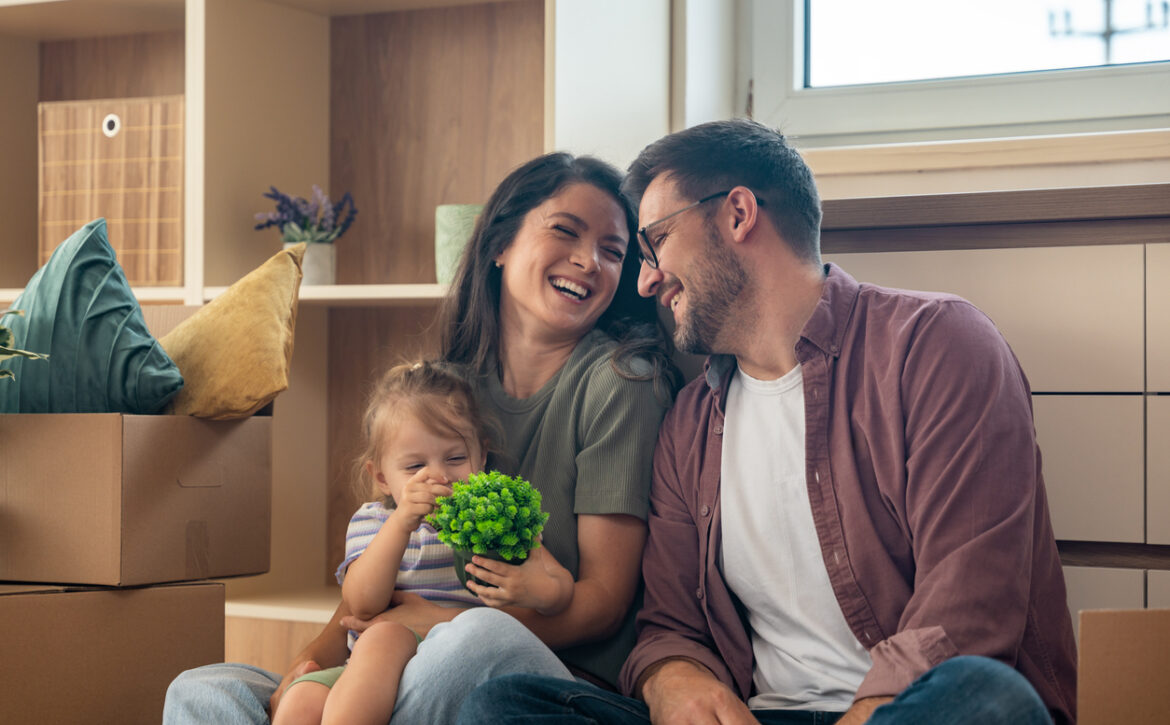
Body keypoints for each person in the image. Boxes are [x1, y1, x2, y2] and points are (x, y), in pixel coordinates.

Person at [456, 118, 1078, 725]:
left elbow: (969, 610)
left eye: (654, 244)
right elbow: (669, 626)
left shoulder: (935, 344)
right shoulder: (690, 424)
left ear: (737, 214)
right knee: (502, 706)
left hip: (907, 708)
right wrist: (673, 677)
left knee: (984, 695)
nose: (644, 281)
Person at [163, 152, 677, 725]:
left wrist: (436, 623)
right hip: (400, 656)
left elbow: (603, 606)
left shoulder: (621, 383)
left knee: (470, 641)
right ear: (500, 245)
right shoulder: (445, 389)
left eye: (613, 251)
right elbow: (387, 563)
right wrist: (315, 656)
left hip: (546, 678)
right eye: (566, 231)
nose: (589, 261)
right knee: (203, 690)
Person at [273, 360, 527, 725]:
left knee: (383, 637)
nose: (437, 476)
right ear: (381, 476)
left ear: (482, 456)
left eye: (455, 458)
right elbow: (361, 604)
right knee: (301, 701)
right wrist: (401, 523)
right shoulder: (375, 522)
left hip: (450, 665)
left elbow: (528, 599)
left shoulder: (490, 524)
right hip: (364, 677)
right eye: (413, 467)